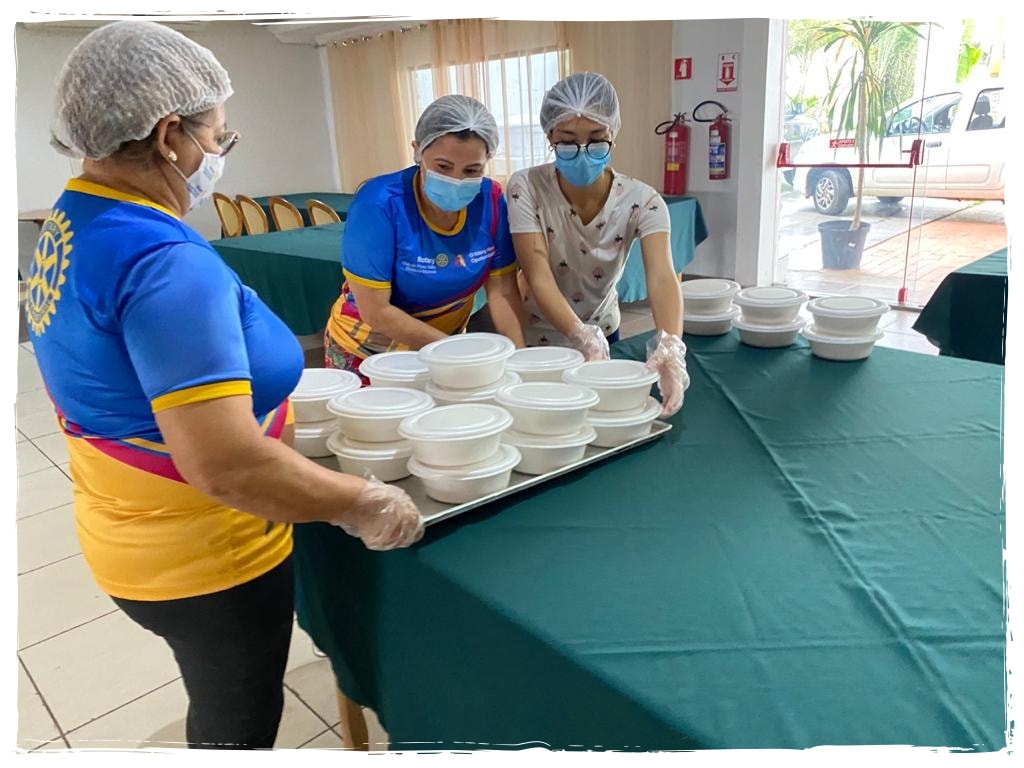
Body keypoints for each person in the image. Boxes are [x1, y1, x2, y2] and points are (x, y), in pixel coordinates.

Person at [28, 20, 423, 750]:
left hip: (128, 528)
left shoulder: (75, 220)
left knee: (218, 699)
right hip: (207, 554)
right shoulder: (162, 259)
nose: (219, 156)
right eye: (219, 137)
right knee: (237, 724)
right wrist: (361, 501)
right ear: (171, 134)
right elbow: (226, 463)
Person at [506, 72, 689, 416]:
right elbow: (537, 272)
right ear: (549, 137)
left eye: (596, 138)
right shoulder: (526, 187)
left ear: (613, 134)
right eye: (567, 140)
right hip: (538, 341)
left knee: (605, 419)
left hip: (605, 334)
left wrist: (670, 344)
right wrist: (579, 333)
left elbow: (663, 277)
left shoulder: (643, 201)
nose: (583, 151)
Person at [324, 94, 525, 376]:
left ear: (488, 160)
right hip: (370, 352)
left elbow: (502, 291)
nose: (457, 180)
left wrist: (519, 358)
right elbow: (376, 311)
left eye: (472, 170)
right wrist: (454, 355)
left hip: (446, 344)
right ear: (417, 151)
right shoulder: (380, 204)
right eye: (443, 167)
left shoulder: (490, 201)